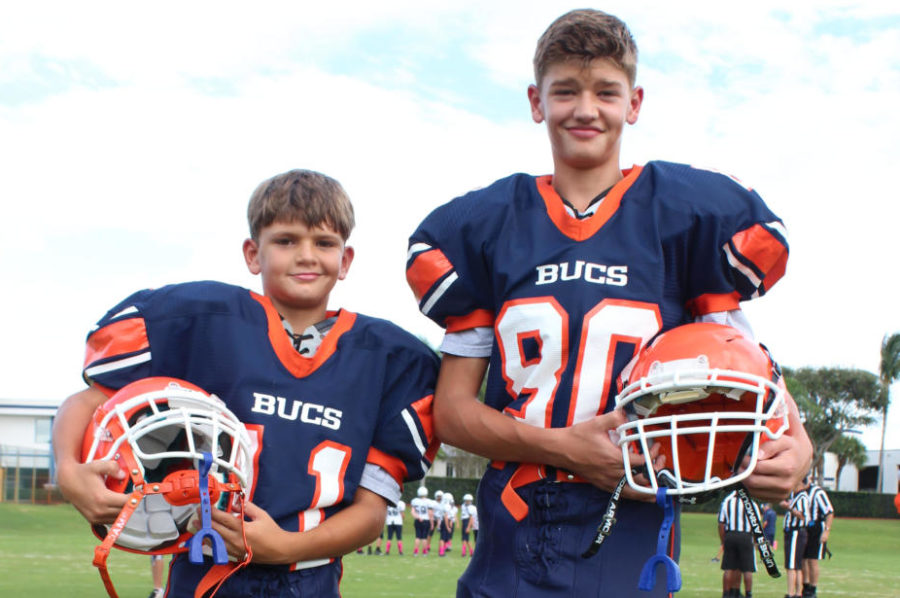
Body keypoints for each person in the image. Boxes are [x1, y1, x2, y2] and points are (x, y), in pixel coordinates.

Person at [405, 8, 812, 598]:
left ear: (635, 102)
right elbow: (453, 412)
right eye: (565, 90)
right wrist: (562, 446)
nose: (586, 109)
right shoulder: (487, 225)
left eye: (606, 92)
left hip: (633, 529)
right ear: (536, 101)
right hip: (514, 528)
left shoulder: (682, 216)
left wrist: (795, 444)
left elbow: (743, 356)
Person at [52, 169, 440, 598]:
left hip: (310, 580)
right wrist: (69, 470)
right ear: (253, 253)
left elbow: (371, 512)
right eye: (286, 240)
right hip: (206, 572)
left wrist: (286, 546)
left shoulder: (386, 358)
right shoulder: (205, 323)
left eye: (324, 243)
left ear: (345, 260)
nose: (307, 255)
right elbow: (91, 400)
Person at [718, 489, 762, 598]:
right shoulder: (752, 504)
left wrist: (723, 541)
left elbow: (721, 524)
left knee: (729, 567)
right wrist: (756, 541)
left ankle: (726, 594)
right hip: (746, 536)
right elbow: (756, 525)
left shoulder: (727, 503)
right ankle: (748, 594)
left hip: (731, 535)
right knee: (747, 569)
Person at [802, 481, 834, 597]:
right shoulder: (798, 491)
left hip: (816, 528)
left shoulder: (817, 492)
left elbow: (829, 512)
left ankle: (813, 588)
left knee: (812, 559)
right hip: (803, 528)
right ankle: (805, 586)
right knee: (802, 559)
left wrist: (826, 531)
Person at [781, 480, 811, 598]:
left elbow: (802, 515)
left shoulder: (802, 497)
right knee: (797, 566)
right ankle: (798, 593)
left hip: (795, 532)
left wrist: (789, 507)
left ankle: (791, 593)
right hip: (795, 533)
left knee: (792, 565)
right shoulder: (797, 497)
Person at [411, 486, 434, 556]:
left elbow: (412, 512)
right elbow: (430, 513)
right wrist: (432, 523)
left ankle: (415, 552)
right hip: (426, 520)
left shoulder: (415, 501)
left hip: (418, 520)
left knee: (417, 537)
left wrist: (418, 517)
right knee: (424, 537)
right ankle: (424, 552)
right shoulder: (429, 502)